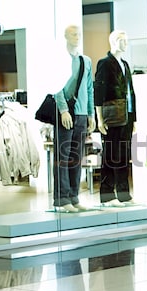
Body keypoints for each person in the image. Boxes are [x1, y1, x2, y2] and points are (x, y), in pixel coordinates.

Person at [53, 25, 95, 212]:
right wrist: (63, 109)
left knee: (76, 157)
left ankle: (73, 196)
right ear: (65, 36)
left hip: (81, 114)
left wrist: (91, 113)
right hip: (66, 112)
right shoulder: (59, 60)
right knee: (62, 156)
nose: (77, 37)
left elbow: (89, 89)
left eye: (79, 34)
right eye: (73, 34)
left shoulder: (85, 61)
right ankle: (62, 199)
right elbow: (56, 86)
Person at [94, 30, 136, 207]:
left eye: (126, 40)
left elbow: (131, 92)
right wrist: (100, 118)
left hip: (126, 114)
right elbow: (99, 91)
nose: (126, 43)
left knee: (124, 156)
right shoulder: (104, 64)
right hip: (112, 115)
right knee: (111, 154)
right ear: (114, 41)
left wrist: (134, 118)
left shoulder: (125, 64)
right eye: (123, 40)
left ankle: (123, 193)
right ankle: (107, 195)